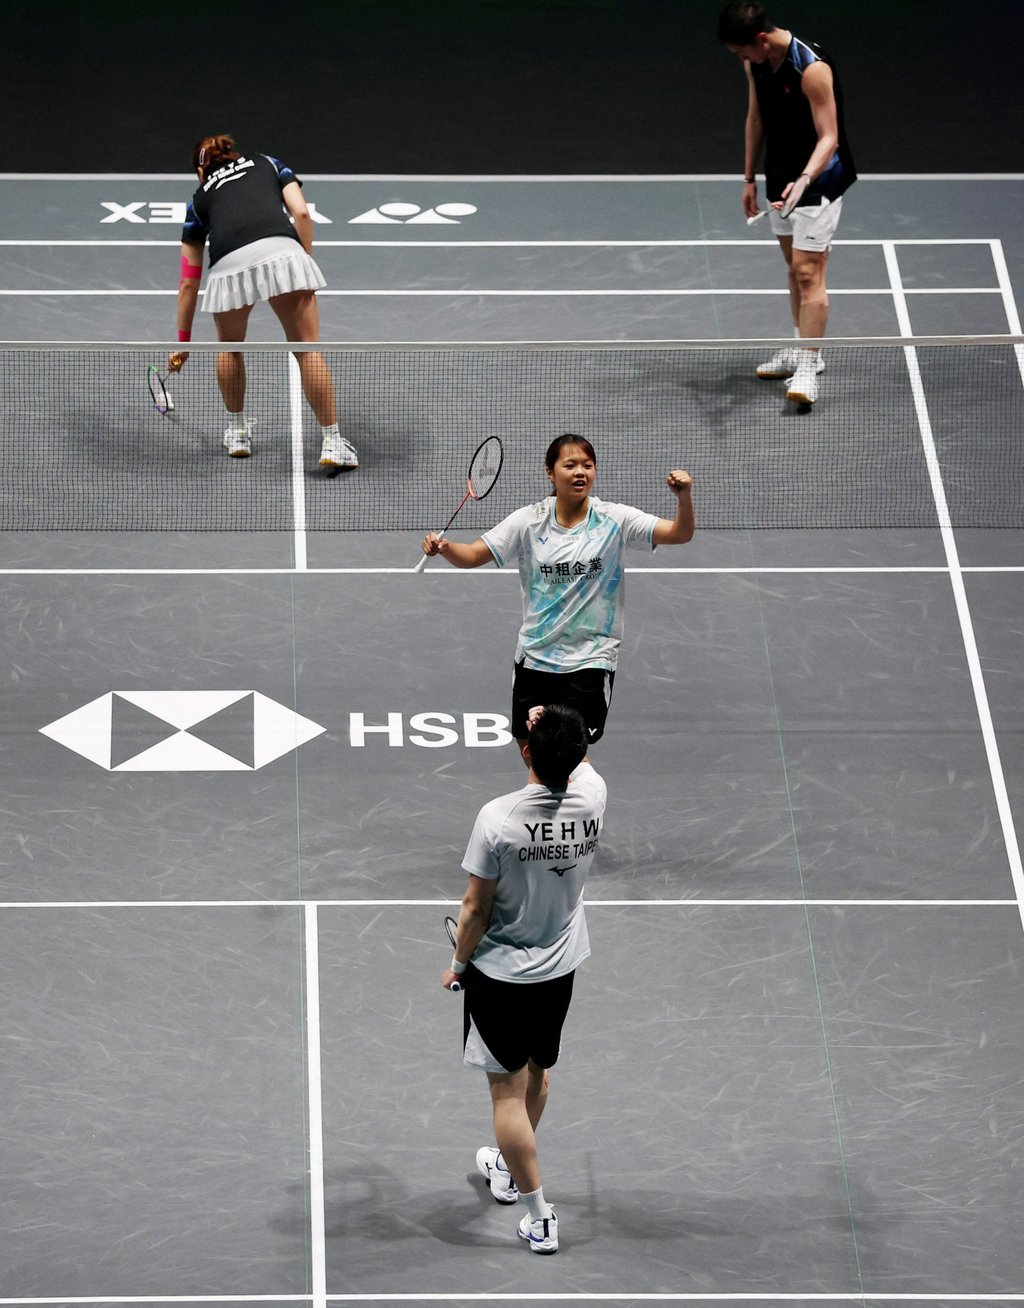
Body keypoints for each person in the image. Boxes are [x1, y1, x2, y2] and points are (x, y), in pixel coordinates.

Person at [442, 703, 607, 1255]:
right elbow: (578, 758)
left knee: (506, 1096)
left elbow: (475, 909)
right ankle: (510, 1171)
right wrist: (557, 724)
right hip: (560, 967)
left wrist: (459, 965)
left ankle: (539, 1214)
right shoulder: (594, 794)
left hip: (503, 974)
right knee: (538, 1075)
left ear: (525, 749)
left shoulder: (499, 819)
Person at [421, 434, 694, 747]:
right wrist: (444, 548)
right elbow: (472, 555)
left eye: (587, 465)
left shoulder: (614, 519)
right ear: (550, 472)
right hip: (536, 654)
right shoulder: (528, 521)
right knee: (528, 747)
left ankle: (578, 798)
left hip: (591, 658)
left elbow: (679, 533)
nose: (580, 472)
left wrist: (683, 497)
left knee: (571, 754)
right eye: (571, 465)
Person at [166, 134, 357, 470]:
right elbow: (302, 214)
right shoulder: (267, 162)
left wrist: (182, 342)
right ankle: (332, 441)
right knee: (307, 348)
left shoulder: (197, 201)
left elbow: (187, 282)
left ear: (200, 171)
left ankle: (238, 433)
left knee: (229, 347)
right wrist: (301, 262)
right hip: (283, 253)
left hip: (228, 266)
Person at [717, 3, 856, 406]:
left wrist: (806, 180)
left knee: (809, 272)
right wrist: (748, 177)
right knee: (793, 269)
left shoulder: (811, 68)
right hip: (779, 176)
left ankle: (810, 366)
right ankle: (801, 347)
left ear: (761, 38)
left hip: (820, 178)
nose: (743, 60)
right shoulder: (755, 65)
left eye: (744, 52)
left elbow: (829, 137)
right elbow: (756, 116)